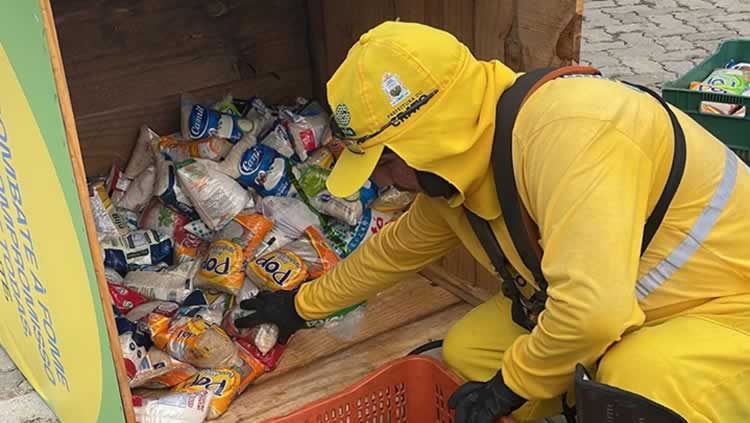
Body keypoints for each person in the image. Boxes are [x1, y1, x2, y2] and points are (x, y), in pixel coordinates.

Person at [235, 21, 750, 422]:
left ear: (428, 142)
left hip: (723, 312)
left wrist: (511, 387)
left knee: (632, 385)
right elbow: (392, 252)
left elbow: (591, 315)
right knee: (467, 354)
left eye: (388, 163)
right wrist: (299, 307)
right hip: (628, 308)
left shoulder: (572, 132)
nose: (386, 183)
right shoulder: (466, 169)